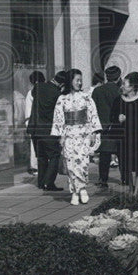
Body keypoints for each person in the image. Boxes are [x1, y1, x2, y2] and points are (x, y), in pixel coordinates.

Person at [51, 69, 102, 205]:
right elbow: (59, 118)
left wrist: (93, 132)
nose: (79, 83)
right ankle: (74, 191)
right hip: (68, 134)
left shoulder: (86, 97)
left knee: (82, 162)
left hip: (83, 133)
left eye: (81, 80)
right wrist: (60, 135)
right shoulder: (62, 98)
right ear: (70, 81)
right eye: (77, 80)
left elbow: (93, 115)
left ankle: (83, 188)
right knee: (70, 164)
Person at [27, 70, 68, 191]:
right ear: (62, 84)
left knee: (41, 157)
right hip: (48, 130)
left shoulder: (38, 86)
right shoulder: (57, 94)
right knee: (54, 155)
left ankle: (41, 182)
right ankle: (48, 183)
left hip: (35, 129)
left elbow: (34, 95)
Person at [91, 65, 123, 189]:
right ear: (119, 77)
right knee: (122, 154)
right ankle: (125, 178)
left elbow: (92, 110)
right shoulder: (120, 91)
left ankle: (102, 180)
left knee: (104, 155)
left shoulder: (97, 91)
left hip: (103, 127)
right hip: (119, 127)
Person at [117, 71, 138, 194]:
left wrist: (128, 119)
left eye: (125, 84)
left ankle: (136, 193)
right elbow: (112, 118)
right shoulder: (120, 101)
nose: (122, 86)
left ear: (132, 87)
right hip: (124, 139)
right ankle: (131, 190)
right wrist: (118, 118)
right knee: (127, 167)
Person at [24, 71, 45, 176]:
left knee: (34, 147)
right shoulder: (45, 91)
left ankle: (35, 167)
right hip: (44, 124)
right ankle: (39, 166)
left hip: (34, 124)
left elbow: (28, 111)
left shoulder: (31, 92)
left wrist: (27, 124)